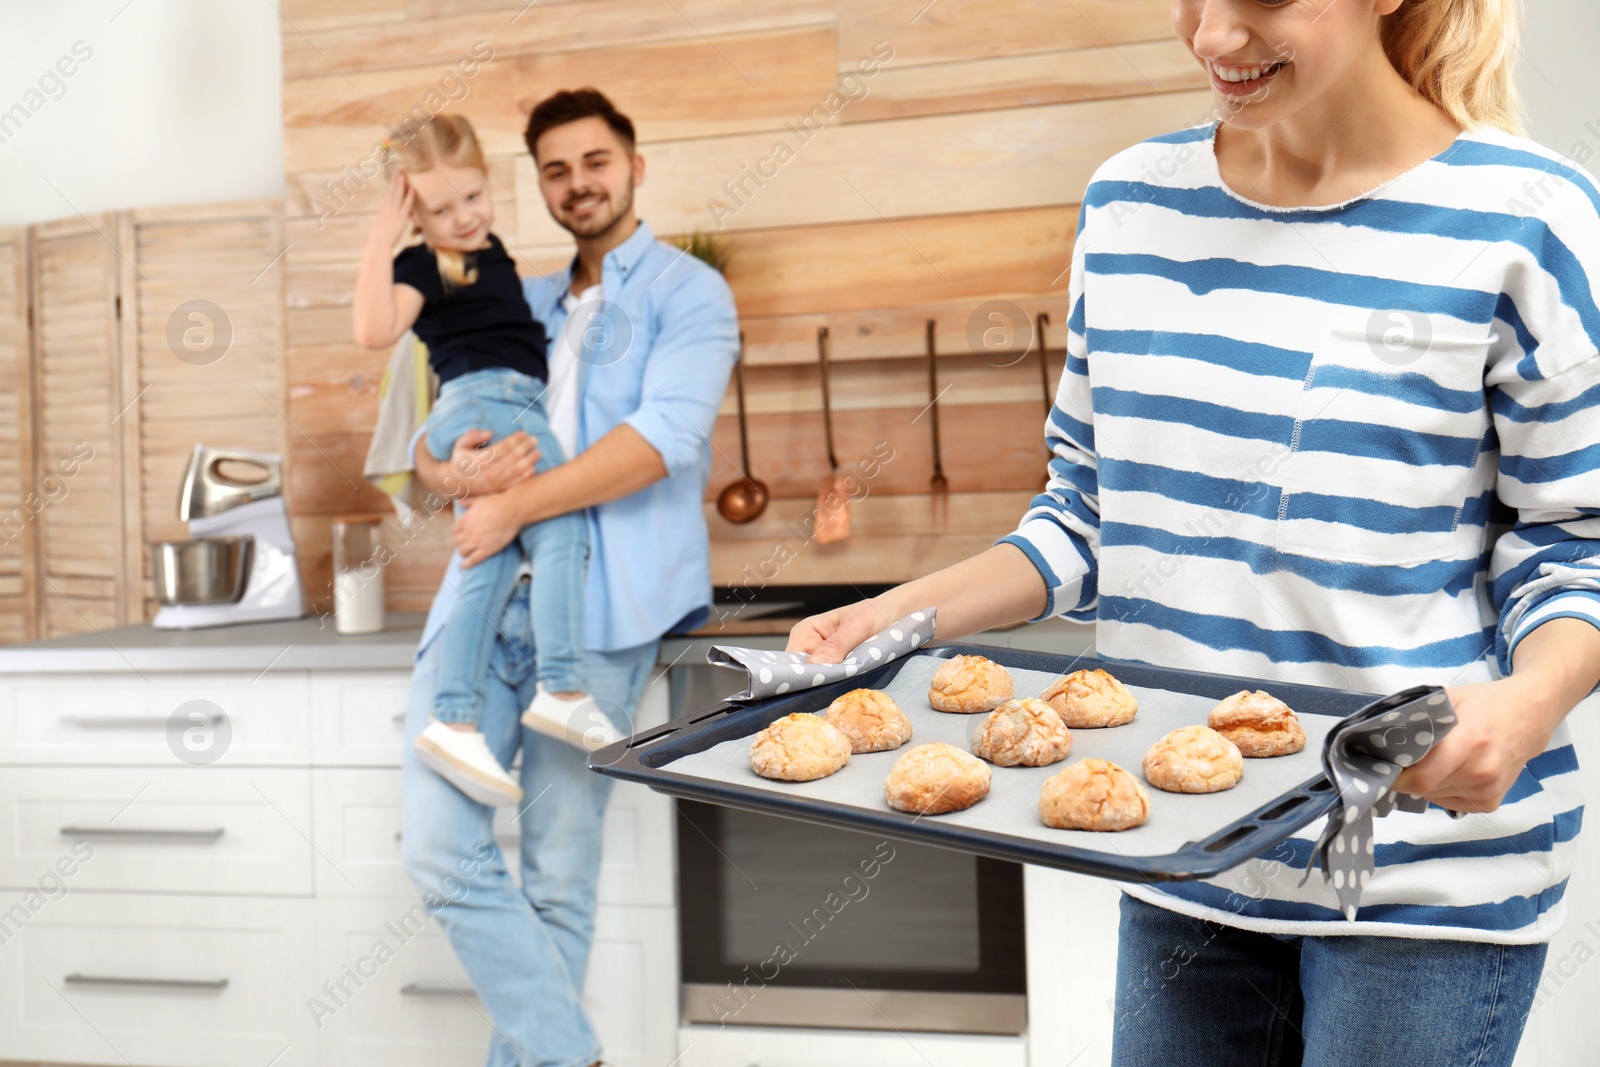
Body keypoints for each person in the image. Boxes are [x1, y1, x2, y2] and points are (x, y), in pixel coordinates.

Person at [789, 1, 1600, 1064]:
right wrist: (894, 616)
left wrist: (1528, 701)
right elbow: (1085, 513)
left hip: (1419, 868)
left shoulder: (1525, 217)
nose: (1215, 36)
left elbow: (1573, 536)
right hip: (1187, 855)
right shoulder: (1130, 202)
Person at [400, 88, 738, 1067]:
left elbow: (659, 443)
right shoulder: (508, 292)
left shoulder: (688, 292)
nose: (577, 182)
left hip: (601, 619)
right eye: (554, 168)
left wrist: (511, 505)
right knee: (437, 847)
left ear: (634, 166)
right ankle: (573, 1055)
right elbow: (412, 448)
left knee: (556, 875)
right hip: (480, 598)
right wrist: (452, 474)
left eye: (595, 161)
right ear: (533, 185)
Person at [354, 113, 604, 809]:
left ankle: (454, 717)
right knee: (563, 527)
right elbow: (374, 330)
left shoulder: (486, 251)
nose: (463, 218)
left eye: (472, 197)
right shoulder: (419, 263)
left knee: (487, 562)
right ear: (412, 209)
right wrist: (384, 232)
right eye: (438, 208)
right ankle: (562, 686)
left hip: (481, 406)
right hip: (492, 398)